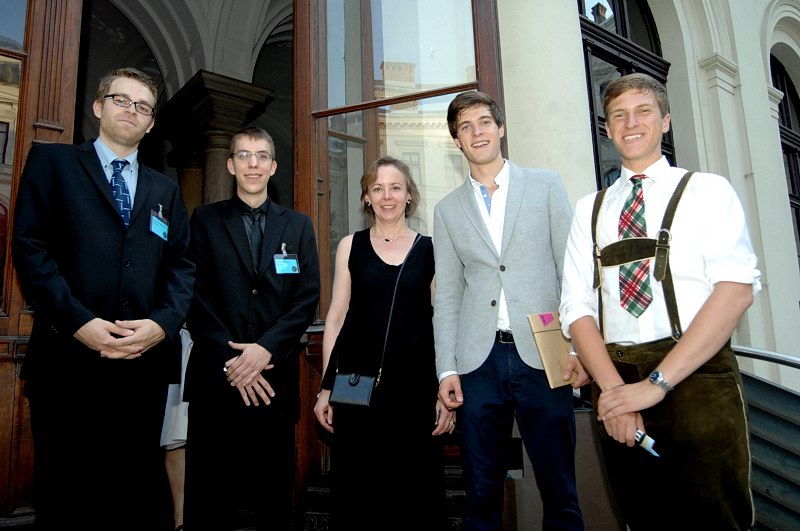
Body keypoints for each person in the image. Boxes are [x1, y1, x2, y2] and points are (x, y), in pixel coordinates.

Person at [559, 72, 760, 530]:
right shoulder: (589, 209)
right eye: (619, 115)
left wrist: (655, 385)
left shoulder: (708, 190)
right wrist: (616, 395)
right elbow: (577, 308)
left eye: (643, 111)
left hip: (696, 377)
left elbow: (735, 290)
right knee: (644, 518)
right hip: (615, 377)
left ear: (665, 121)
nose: (631, 123)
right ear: (607, 128)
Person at [11, 67, 195, 530]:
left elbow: (181, 267)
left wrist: (161, 325)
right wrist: (78, 322)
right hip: (67, 362)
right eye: (121, 100)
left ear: (151, 124)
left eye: (143, 106)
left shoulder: (166, 190)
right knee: (66, 498)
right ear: (98, 107)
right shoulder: (53, 163)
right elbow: (31, 249)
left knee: (133, 499)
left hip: (142, 366)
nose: (131, 110)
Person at [434, 90, 587, 531]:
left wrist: (578, 347)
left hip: (545, 354)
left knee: (559, 487)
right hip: (478, 363)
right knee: (481, 494)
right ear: (457, 141)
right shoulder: (447, 210)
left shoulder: (546, 186)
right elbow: (448, 296)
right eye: (465, 127)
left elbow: (572, 272)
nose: (477, 132)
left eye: (484, 122)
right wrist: (447, 369)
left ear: (500, 128)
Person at [182, 126, 321, 530]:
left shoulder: (298, 225)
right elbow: (193, 295)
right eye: (244, 155)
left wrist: (264, 350)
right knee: (209, 499)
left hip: (273, 380)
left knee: (272, 498)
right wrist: (234, 361)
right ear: (231, 165)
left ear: (273, 166)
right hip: (216, 379)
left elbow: (306, 298)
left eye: (261, 156)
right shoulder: (205, 220)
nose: (253, 164)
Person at [314, 156, 455, 530]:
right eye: (377, 188)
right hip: (355, 388)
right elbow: (336, 318)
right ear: (366, 197)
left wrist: (444, 389)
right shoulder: (351, 245)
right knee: (356, 497)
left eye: (395, 188)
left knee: (414, 498)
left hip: (414, 391)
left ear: (409, 196)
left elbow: (442, 322)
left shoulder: (431, 249)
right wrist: (326, 388)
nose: (387, 196)